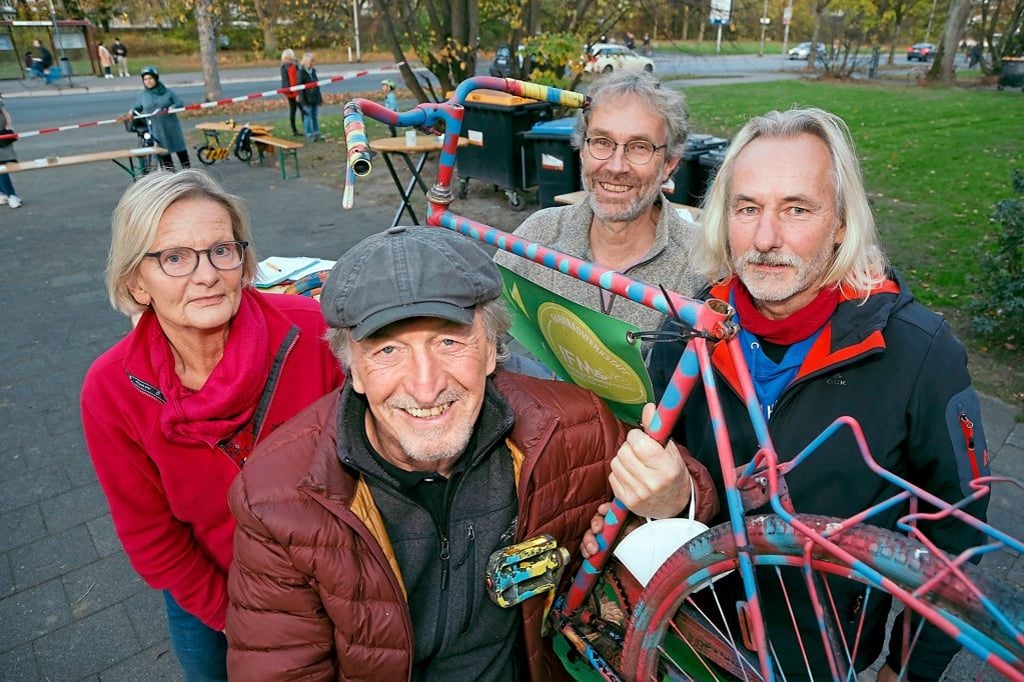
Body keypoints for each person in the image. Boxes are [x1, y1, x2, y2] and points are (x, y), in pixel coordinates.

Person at [225, 225, 716, 681]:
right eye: (388, 351)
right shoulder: (280, 495)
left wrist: (671, 500)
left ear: (491, 349)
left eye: (449, 340)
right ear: (351, 367)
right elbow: (283, 670)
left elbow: (687, 486)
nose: (425, 386)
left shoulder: (570, 426)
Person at [619, 106, 989, 680]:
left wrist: (909, 669)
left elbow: (956, 536)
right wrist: (674, 501)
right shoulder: (686, 331)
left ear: (842, 223)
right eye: (747, 209)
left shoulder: (920, 355)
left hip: (828, 658)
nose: (765, 239)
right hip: (695, 639)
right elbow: (673, 491)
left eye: (797, 209)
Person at [81, 170, 345, 681]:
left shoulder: (312, 332)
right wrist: (239, 620)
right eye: (174, 258)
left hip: (338, 576)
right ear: (136, 281)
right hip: (212, 590)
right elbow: (151, 536)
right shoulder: (112, 390)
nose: (206, 275)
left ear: (243, 261)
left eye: (221, 250)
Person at [493, 71, 704, 339]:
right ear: (582, 151)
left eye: (639, 147)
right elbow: (485, 330)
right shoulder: (539, 234)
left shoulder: (701, 264)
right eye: (602, 143)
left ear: (670, 164)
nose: (616, 167)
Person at [132, 66, 191, 171]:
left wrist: (171, 108)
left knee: (180, 149)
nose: (148, 81)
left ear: (156, 78)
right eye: (145, 79)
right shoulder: (143, 95)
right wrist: (130, 113)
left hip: (171, 127)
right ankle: (170, 174)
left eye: (150, 78)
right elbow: (136, 108)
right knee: (163, 151)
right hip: (157, 129)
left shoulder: (167, 92)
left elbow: (179, 103)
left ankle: (188, 171)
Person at [0, 94, 22, 209]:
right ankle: (4, 193)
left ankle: (11, 195)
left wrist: (8, 125)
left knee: (2, 166)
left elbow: (3, 111)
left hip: (1, 136)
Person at [298, 52, 322, 142]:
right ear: (307, 61)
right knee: (308, 117)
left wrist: (319, 98)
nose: (313, 63)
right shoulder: (301, 72)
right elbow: (300, 88)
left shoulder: (313, 71)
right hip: (306, 99)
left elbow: (317, 85)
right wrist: (303, 101)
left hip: (314, 98)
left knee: (314, 116)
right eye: (311, 61)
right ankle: (309, 134)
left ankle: (316, 133)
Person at [279, 48, 303, 137]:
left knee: (293, 110)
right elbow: (293, 82)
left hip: (287, 91)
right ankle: (305, 128)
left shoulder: (283, 66)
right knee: (303, 110)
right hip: (293, 92)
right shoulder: (291, 67)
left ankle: (294, 129)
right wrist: (297, 94)